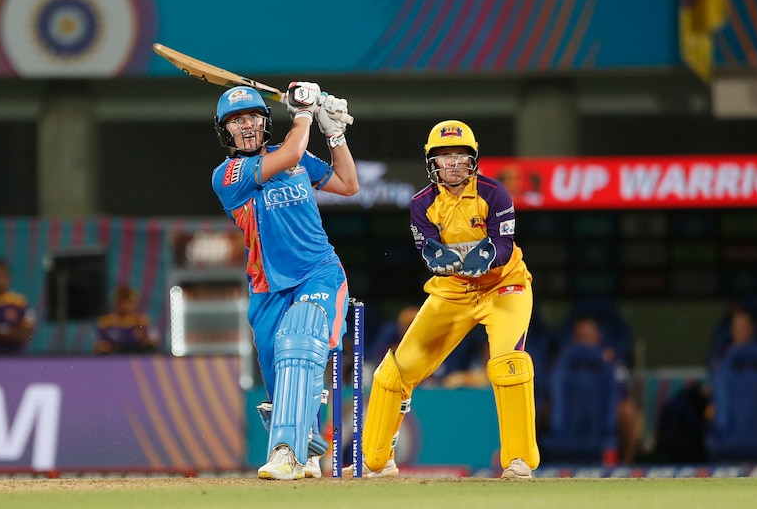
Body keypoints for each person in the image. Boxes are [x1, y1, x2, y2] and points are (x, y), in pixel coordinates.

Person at [349, 120, 539, 479]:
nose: (452, 164)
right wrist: (436, 258)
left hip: (504, 287)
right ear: (431, 162)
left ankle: (519, 461)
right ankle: (377, 461)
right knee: (396, 372)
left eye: (460, 157)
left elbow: (503, 244)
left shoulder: (495, 193)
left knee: (507, 365)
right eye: (444, 157)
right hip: (453, 291)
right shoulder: (422, 203)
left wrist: (488, 256)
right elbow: (427, 247)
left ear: (473, 160)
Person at [210, 82, 358, 480]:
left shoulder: (293, 157)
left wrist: (334, 133)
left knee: (301, 341)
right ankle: (306, 446)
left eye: (253, 117)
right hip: (266, 288)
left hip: (318, 273)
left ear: (264, 122)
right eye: (236, 121)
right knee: (283, 381)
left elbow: (348, 185)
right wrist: (305, 111)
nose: (245, 126)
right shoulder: (229, 175)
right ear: (226, 132)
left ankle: (285, 453)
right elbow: (294, 147)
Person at [569, 315, 642, 465]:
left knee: (628, 411)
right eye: (580, 337)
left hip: (602, 411)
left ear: (597, 337)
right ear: (574, 339)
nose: (585, 341)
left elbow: (620, 393)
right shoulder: (565, 361)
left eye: (588, 336)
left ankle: (628, 465)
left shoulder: (610, 359)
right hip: (572, 410)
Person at [93, 285, 159, 354]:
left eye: (128, 302)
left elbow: (152, 341)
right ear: (115, 303)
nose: (125, 306)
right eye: (121, 302)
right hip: (114, 356)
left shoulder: (142, 321)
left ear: (134, 303)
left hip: (137, 354)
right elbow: (99, 345)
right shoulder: (105, 322)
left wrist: (145, 340)